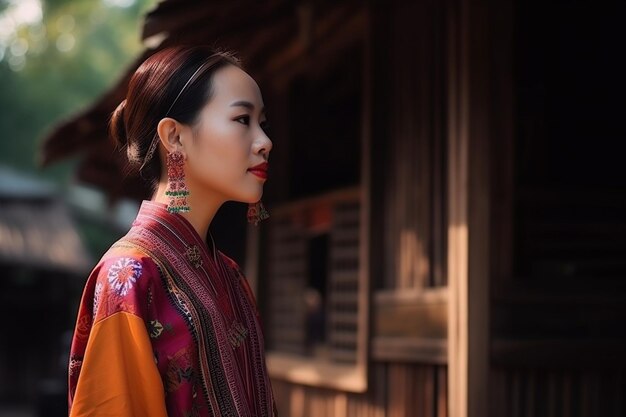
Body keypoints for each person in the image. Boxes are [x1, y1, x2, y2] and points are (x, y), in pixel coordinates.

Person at [67, 45, 276, 417]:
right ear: (175, 137)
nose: (264, 142)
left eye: (263, 123)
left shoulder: (231, 276)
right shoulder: (128, 277)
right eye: (243, 120)